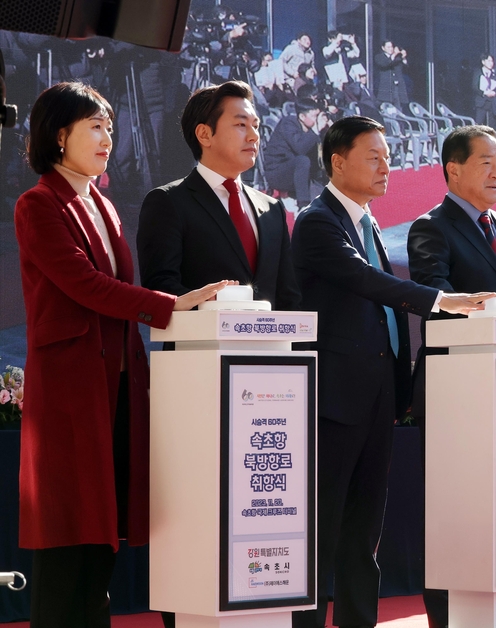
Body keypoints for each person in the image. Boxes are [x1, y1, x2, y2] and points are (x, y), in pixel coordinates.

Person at [14, 81, 230, 627]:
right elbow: (84, 285)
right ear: (59, 135)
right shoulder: (38, 203)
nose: (109, 136)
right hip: (71, 392)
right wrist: (172, 305)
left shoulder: (104, 204)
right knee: (68, 537)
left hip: (117, 386)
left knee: (102, 537)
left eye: (110, 125)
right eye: (95, 126)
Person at [289, 116, 496, 628]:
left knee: (364, 536)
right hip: (335, 400)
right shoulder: (318, 220)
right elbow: (365, 281)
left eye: (388, 155)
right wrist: (441, 301)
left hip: (378, 397)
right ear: (338, 162)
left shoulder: (369, 222)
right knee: (321, 532)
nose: (387, 165)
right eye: (374, 156)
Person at [406, 124, 496, 628]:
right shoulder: (430, 227)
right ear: (453, 169)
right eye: (487, 163)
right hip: (459, 393)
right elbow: (436, 300)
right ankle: (448, 617)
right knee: (454, 514)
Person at [138, 81, 302, 311]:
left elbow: (287, 296)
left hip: (270, 345)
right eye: (241, 124)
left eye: (256, 125)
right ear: (205, 134)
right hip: (202, 344)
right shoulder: (168, 202)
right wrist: (217, 304)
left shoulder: (271, 208)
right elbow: (160, 288)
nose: (254, 136)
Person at [263, 98, 330, 209]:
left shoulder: (310, 129)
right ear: (302, 117)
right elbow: (300, 148)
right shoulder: (288, 123)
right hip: (277, 172)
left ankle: (290, 195)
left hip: (299, 175)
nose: (317, 119)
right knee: (302, 160)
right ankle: (303, 204)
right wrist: (316, 129)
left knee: (327, 200)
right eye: (314, 116)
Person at [375, 41, 410, 107]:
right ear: (383, 48)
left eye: (391, 47)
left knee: (399, 108)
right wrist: (393, 55)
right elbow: (384, 64)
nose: (390, 49)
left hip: (397, 87)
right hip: (387, 88)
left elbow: (406, 69)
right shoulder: (379, 57)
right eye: (388, 47)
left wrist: (403, 58)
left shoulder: (397, 58)